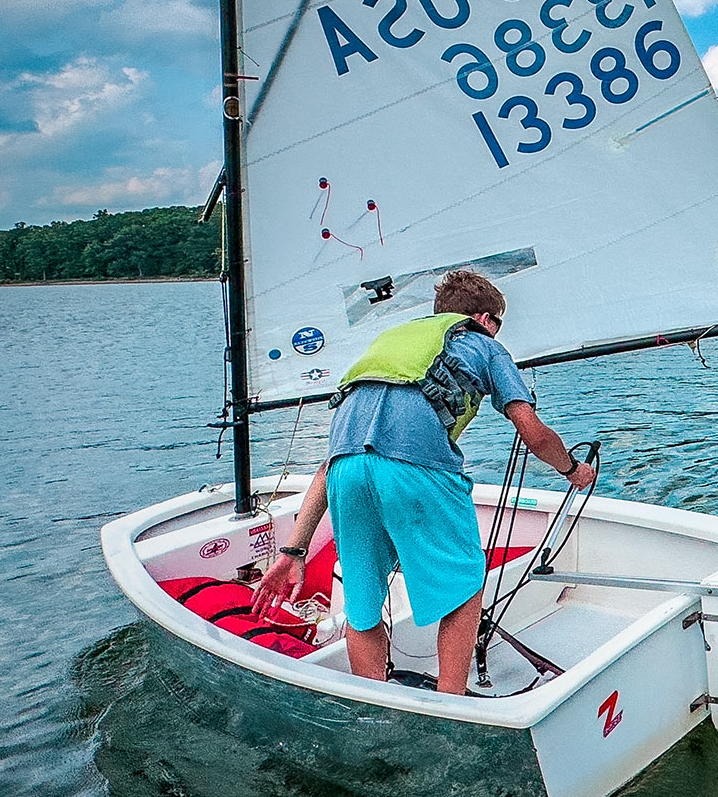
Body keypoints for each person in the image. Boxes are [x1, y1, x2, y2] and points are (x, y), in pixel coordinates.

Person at [250, 268, 594, 692]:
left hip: (344, 474)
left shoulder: (390, 343)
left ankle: (374, 701)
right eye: (498, 324)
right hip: (415, 469)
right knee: (465, 588)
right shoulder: (485, 345)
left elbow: (327, 467)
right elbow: (532, 431)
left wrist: (294, 550)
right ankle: (452, 705)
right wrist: (572, 470)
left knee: (362, 609)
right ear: (485, 319)